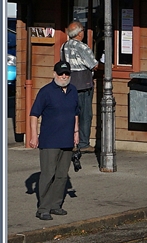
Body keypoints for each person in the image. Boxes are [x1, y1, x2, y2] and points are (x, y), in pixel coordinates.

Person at [28, 61, 80, 220]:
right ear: (54, 74)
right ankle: (43, 208)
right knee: (48, 174)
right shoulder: (46, 92)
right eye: (60, 73)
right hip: (49, 140)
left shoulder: (73, 91)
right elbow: (34, 114)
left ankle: (55, 205)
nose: (64, 76)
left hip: (67, 139)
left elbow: (75, 113)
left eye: (66, 74)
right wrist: (33, 135)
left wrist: (76, 132)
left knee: (62, 175)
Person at [60, 22, 98, 151]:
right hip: (84, 84)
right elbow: (94, 65)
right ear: (80, 33)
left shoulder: (63, 46)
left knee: (71, 114)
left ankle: (69, 141)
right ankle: (83, 143)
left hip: (69, 84)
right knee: (85, 115)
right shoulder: (82, 47)